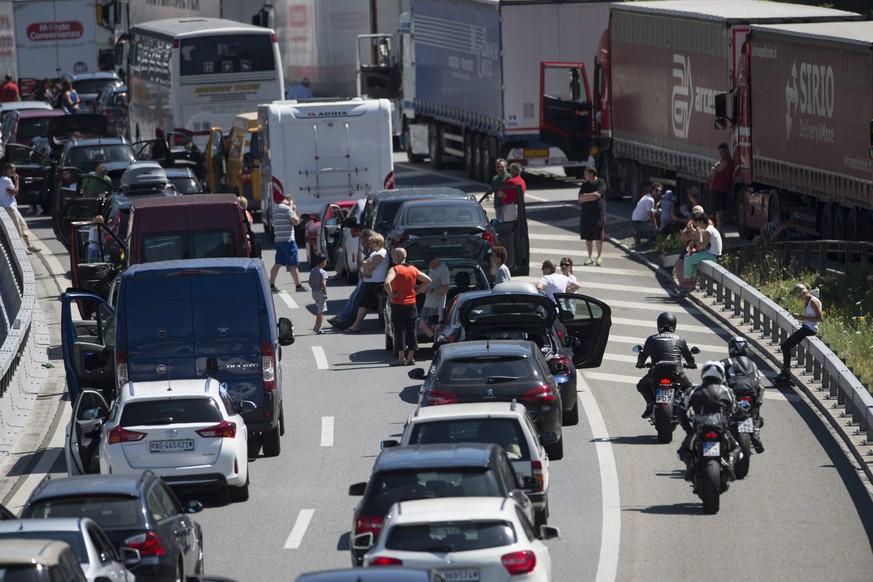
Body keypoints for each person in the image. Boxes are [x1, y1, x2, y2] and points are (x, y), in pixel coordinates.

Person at [676, 360, 741, 480]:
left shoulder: (693, 391)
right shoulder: (727, 391)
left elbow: (681, 411)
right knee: (736, 449)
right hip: (721, 429)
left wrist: (689, 430)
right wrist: (734, 422)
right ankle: (730, 464)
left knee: (683, 451)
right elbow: (737, 410)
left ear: (703, 373)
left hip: (700, 428)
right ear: (721, 374)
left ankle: (691, 465)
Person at [635, 312, 696, 419]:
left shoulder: (651, 339)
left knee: (642, 385)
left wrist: (640, 365)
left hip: (656, 372)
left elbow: (642, 356)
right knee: (689, 387)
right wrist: (691, 365)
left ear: (659, 324)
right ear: (674, 324)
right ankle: (681, 406)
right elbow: (689, 357)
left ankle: (650, 403)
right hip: (676, 372)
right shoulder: (680, 339)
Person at [384, 247, 431, 366]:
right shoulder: (412, 269)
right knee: (411, 330)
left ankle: (401, 358)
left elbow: (386, 283)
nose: (392, 257)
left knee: (399, 331)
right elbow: (428, 280)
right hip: (411, 304)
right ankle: (411, 358)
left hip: (398, 304)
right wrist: (418, 291)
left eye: (393, 254)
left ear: (398, 257)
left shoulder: (395, 269)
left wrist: (391, 295)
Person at [720, 336, 765, 454]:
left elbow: (715, 374)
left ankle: (723, 432)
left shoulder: (726, 362)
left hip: (734, 391)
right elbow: (758, 380)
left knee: (721, 410)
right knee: (756, 414)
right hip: (753, 392)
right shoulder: (753, 364)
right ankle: (755, 434)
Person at [776, 283, 823, 381]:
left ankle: (786, 371)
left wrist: (801, 317)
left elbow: (820, 318)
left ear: (803, 294)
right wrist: (800, 317)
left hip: (809, 329)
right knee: (786, 346)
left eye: (799, 297)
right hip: (806, 327)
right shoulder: (808, 300)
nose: (799, 299)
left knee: (785, 346)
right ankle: (786, 370)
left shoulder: (813, 301)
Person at [344, 233, 389, 333]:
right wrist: (366, 265)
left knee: (364, 303)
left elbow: (369, 267)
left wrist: (366, 266)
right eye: (370, 243)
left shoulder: (380, 254)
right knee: (361, 302)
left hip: (375, 282)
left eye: (373, 243)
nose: (371, 245)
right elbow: (363, 263)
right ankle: (353, 323)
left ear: (380, 243)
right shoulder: (374, 253)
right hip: (369, 281)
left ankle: (356, 325)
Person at [329, 230, 374, 328]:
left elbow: (369, 268)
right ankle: (342, 316)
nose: (363, 244)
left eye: (363, 241)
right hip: (366, 278)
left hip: (369, 280)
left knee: (356, 299)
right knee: (353, 297)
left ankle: (347, 320)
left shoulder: (374, 252)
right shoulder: (370, 251)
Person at [269, 194, 307, 292]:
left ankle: (271, 285)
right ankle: (298, 286)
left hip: (278, 240)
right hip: (288, 240)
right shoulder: (287, 209)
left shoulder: (276, 209)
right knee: (293, 264)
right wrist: (293, 209)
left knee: (278, 263)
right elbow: (296, 221)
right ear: (290, 201)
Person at [679, 211, 723, 295]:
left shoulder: (708, 231)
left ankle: (686, 281)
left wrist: (694, 241)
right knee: (692, 259)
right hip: (713, 253)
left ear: (702, 222)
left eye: (697, 224)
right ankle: (692, 280)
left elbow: (703, 245)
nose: (697, 226)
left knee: (688, 260)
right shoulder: (710, 228)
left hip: (712, 255)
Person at [0, 164, 40, 254]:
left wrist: (11, 191)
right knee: (17, 229)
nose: (14, 171)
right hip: (9, 207)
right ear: (6, 170)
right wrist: (17, 181)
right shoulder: (7, 180)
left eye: (14, 169)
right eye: (12, 169)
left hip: (12, 206)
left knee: (23, 225)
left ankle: (29, 245)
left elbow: (11, 192)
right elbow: (15, 192)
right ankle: (20, 249)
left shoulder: (2, 179)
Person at [577, 166, 606, 266]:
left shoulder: (600, 182)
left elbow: (598, 196)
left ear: (592, 174)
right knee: (588, 237)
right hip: (586, 214)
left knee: (598, 236)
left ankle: (599, 257)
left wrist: (586, 196)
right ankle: (589, 256)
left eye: (586, 174)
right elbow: (580, 198)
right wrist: (591, 195)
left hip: (598, 214)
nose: (584, 176)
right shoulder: (584, 184)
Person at [419, 254, 449, 339]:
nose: (429, 266)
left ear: (436, 259)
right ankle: (434, 339)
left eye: (430, 263)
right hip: (428, 302)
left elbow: (445, 289)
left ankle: (437, 343)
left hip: (437, 303)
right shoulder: (432, 268)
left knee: (435, 326)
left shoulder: (443, 269)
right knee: (422, 324)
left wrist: (431, 290)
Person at [709, 142, 734, 232]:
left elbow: (716, 171)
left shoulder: (727, 161)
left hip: (720, 187)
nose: (721, 154)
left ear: (727, 150)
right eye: (720, 152)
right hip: (719, 187)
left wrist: (713, 169)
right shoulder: (723, 160)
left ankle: (720, 227)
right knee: (718, 209)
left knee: (720, 208)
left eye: (722, 152)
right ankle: (719, 226)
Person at [308, 254, 328, 334]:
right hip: (320, 293)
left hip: (314, 293)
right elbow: (323, 283)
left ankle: (316, 326)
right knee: (321, 312)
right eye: (325, 261)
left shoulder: (313, 270)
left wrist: (313, 288)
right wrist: (325, 293)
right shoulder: (323, 272)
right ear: (323, 262)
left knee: (319, 310)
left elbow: (309, 281)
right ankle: (318, 328)